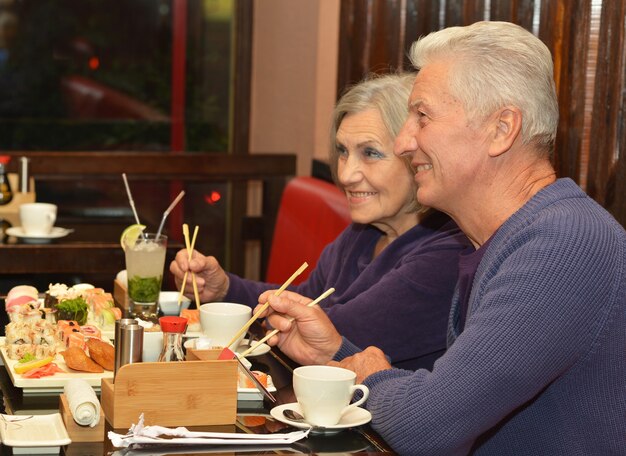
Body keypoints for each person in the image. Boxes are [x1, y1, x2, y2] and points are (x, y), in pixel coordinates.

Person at [257, 21, 626, 455]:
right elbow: (448, 400)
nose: (403, 141)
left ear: (501, 129)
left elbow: (425, 427)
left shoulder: (565, 244)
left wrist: (372, 376)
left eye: (422, 117)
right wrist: (335, 354)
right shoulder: (513, 237)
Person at [171, 73, 470, 370]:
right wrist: (224, 289)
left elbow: (324, 331)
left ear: (416, 156)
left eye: (370, 153)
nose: (345, 175)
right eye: (342, 151)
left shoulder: (448, 253)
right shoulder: (364, 232)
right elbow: (306, 300)